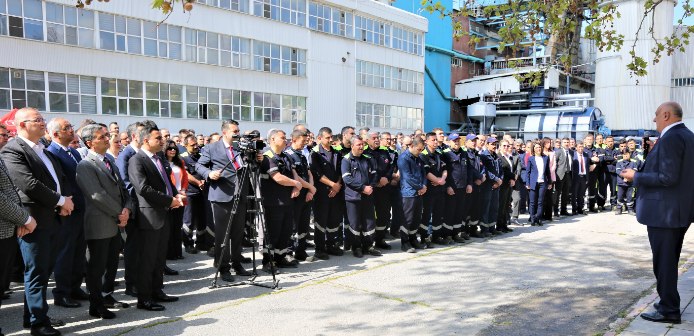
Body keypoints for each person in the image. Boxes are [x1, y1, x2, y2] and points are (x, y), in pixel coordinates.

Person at [2, 107, 74, 336]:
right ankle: (38, 324)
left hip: (53, 218)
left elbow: (61, 178)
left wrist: (64, 202)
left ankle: (33, 316)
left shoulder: (44, 149)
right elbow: (28, 184)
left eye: (43, 119)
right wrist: (61, 201)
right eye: (38, 120)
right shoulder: (14, 149)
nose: (43, 123)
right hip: (32, 221)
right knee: (35, 273)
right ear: (22, 124)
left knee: (44, 271)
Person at [621, 102, 694, 324]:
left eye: (656, 116)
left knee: (664, 262)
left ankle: (669, 309)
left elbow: (668, 178)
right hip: (678, 210)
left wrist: (636, 176)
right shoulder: (687, 135)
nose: (654, 120)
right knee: (669, 260)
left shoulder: (671, 138)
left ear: (665, 115)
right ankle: (666, 301)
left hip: (665, 212)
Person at [76, 124, 131, 320]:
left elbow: (123, 190)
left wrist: (127, 209)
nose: (107, 139)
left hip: (116, 222)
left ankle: (107, 296)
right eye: (102, 137)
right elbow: (97, 196)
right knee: (96, 267)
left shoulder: (110, 161)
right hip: (100, 223)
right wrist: (120, 213)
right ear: (90, 143)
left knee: (111, 264)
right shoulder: (85, 165)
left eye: (107, 135)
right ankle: (96, 305)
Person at [128, 122, 184, 311]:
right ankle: (144, 298)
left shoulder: (158, 158)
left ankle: (157, 291)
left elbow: (167, 181)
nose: (163, 141)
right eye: (158, 138)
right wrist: (169, 200)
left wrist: (176, 195)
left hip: (164, 214)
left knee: (160, 257)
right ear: (146, 140)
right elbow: (143, 188)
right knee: (147, 259)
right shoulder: (137, 160)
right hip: (149, 217)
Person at [195, 120, 252, 283]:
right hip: (221, 196)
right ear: (225, 132)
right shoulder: (212, 148)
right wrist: (209, 173)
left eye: (238, 130)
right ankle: (224, 267)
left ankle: (237, 263)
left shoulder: (240, 148)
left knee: (237, 232)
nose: (237, 133)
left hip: (240, 195)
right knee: (223, 234)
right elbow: (199, 165)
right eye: (235, 131)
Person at [46, 118, 89, 309]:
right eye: (67, 128)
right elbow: (60, 183)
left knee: (78, 252)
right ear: (56, 134)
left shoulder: (72, 151)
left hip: (81, 209)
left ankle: (74, 287)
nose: (72, 130)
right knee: (65, 253)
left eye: (71, 127)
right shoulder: (51, 153)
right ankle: (61, 293)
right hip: (67, 211)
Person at [0, 123, 34, 336]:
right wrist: (25, 218)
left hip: (7, 228)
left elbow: (12, 192)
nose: (6, 137)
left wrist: (20, 220)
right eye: (2, 134)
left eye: (7, 133)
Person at [260, 129, 302, 272]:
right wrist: (295, 184)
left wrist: (296, 187)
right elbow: (277, 177)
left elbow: (294, 172)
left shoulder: (286, 156)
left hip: (287, 201)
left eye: (285, 138)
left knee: (286, 231)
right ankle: (268, 262)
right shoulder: (267, 156)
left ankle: (280, 257)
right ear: (272, 140)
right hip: (273, 202)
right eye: (282, 138)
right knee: (272, 233)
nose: (286, 140)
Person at [116, 121, 144, 298]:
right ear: (134, 136)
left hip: (147, 209)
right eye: (144, 133)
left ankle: (142, 281)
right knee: (133, 249)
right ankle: (131, 284)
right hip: (136, 208)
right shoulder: (125, 155)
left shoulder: (146, 154)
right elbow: (125, 184)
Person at [341, 135, 382, 257]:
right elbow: (347, 178)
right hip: (353, 198)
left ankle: (368, 246)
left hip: (368, 196)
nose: (361, 147)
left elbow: (375, 175)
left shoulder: (368, 158)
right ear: (352, 146)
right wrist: (363, 188)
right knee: (355, 223)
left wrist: (371, 187)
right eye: (358, 145)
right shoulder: (346, 159)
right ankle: (356, 247)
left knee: (369, 222)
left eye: (362, 144)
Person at [310, 127, 344, 260]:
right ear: (319, 139)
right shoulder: (315, 153)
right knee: (321, 221)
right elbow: (316, 173)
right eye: (327, 138)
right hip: (322, 193)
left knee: (334, 220)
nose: (331, 140)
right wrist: (332, 185)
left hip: (335, 192)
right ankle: (320, 248)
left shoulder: (336, 152)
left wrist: (337, 185)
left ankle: (331, 245)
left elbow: (340, 171)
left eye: (331, 137)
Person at [284, 130, 316, 261]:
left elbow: (309, 174)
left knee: (303, 225)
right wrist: (310, 187)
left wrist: (310, 191)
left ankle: (301, 251)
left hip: (305, 194)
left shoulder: (302, 154)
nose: (305, 143)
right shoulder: (288, 155)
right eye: (303, 141)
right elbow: (295, 176)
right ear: (295, 140)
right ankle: (288, 252)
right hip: (295, 195)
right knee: (293, 225)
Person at [440, 133, 474, 244]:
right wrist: (448, 186)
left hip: (463, 188)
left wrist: (469, 184)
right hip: (452, 188)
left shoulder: (464, 153)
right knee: (450, 212)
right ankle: (447, 235)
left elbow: (469, 170)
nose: (456, 142)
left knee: (459, 212)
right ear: (449, 142)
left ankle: (456, 233)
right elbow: (444, 172)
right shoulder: (445, 154)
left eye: (458, 140)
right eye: (454, 141)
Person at [363, 130, 394, 250]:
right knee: (370, 217)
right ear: (367, 140)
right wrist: (375, 182)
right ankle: (368, 242)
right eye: (374, 138)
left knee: (383, 215)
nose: (377, 140)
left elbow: (391, 167)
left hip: (384, 189)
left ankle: (380, 239)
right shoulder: (364, 152)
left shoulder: (384, 151)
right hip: (370, 190)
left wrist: (386, 178)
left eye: (378, 137)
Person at [180, 135, 209, 255]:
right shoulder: (182, 158)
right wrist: (198, 182)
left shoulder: (201, 156)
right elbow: (185, 174)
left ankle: (201, 242)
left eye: (196, 144)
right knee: (189, 220)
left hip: (202, 192)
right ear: (185, 145)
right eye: (192, 145)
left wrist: (204, 181)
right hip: (190, 192)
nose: (196, 147)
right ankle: (188, 243)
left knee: (202, 219)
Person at [397, 135, 427, 253]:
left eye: (422, 150)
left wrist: (424, 186)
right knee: (407, 219)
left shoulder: (418, 158)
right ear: (412, 146)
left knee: (416, 218)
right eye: (419, 149)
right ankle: (405, 242)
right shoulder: (403, 158)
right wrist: (420, 187)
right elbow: (408, 177)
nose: (420, 152)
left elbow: (423, 173)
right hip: (408, 193)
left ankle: (413, 239)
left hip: (419, 192)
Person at [419, 132, 446, 246]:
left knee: (438, 214)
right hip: (429, 191)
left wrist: (442, 179)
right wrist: (438, 181)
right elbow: (426, 172)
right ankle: (424, 237)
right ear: (427, 142)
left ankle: (437, 236)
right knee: (426, 215)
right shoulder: (423, 154)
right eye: (433, 140)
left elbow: (445, 168)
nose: (435, 142)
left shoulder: (439, 153)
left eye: (436, 140)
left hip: (439, 190)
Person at [164, 140, 188, 260]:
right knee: (170, 226)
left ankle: (178, 252)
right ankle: (170, 253)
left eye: (174, 148)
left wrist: (183, 190)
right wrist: (175, 193)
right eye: (170, 148)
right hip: (170, 197)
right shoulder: (162, 164)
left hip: (181, 197)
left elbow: (185, 179)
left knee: (178, 225)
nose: (173, 150)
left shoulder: (180, 162)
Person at [479, 138, 503, 236]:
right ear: (487, 144)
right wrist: (496, 180)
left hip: (496, 186)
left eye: (495, 144)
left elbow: (501, 171)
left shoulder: (496, 156)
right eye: (492, 144)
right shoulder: (484, 156)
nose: (494, 145)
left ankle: (492, 227)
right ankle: (485, 229)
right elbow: (486, 171)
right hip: (488, 186)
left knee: (494, 207)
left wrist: (500, 180)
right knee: (486, 208)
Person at [525, 142, 553, 226]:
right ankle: (533, 218)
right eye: (536, 147)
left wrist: (550, 182)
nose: (538, 149)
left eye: (539, 147)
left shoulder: (545, 158)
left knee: (540, 201)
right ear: (533, 149)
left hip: (542, 182)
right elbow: (528, 172)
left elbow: (548, 171)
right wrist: (527, 183)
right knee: (533, 202)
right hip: (533, 182)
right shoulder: (531, 158)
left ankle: (539, 218)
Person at [497, 139, 516, 233]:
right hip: (502, 183)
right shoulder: (499, 157)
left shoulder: (509, 157)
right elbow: (503, 170)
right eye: (504, 145)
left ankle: (504, 224)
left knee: (506, 204)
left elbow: (513, 169)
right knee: (501, 205)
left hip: (509, 184)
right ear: (500, 146)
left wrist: (513, 179)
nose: (506, 147)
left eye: (507, 146)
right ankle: (499, 225)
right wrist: (513, 176)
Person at [599, 136, 620, 213]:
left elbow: (619, 160)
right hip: (605, 172)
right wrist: (614, 159)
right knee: (602, 189)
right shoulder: (603, 150)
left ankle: (613, 204)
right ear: (606, 142)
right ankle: (600, 204)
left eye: (611, 141)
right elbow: (603, 159)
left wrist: (609, 160)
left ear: (613, 141)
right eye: (609, 141)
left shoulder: (617, 150)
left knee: (614, 190)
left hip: (613, 173)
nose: (610, 143)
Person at [615, 149, 638, 215]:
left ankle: (630, 209)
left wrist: (628, 178)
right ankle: (619, 209)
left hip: (630, 183)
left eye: (627, 154)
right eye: (624, 154)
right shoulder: (619, 162)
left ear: (629, 154)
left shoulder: (633, 162)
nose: (626, 156)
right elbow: (618, 171)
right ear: (622, 155)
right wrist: (624, 177)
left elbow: (635, 171)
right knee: (620, 196)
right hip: (621, 182)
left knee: (630, 196)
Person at [554, 138, 573, 216]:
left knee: (566, 194)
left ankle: (563, 210)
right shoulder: (558, 152)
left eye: (567, 142)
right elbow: (555, 165)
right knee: (557, 194)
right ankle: (555, 211)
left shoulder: (572, 152)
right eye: (564, 142)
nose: (566, 144)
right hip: (560, 175)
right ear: (562, 143)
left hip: (568, 175)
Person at [583, 134, 601, 212]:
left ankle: (591, 206)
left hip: (594, 173)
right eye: (588, 139)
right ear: (585, 141)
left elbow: (600, 160)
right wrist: (591, 159)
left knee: (593, 190)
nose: (589, 141)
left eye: (591, 139)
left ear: (593, 140)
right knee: (582, 190)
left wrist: (594, 165)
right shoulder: (583, 149)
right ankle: (581, 206)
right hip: (585, 173)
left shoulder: (597, 149)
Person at [511, 139, 527, 225]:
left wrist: (515, 175)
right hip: (506, 180)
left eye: (519, 146)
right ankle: (504, 219)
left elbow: (519, 167)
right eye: (516, 145)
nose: (518, 148)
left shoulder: (520, 155)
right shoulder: (503, 155)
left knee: (518, 199)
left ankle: (515, 218)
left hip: (517, 179)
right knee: (506, 201)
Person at [571, 142, 589, 215]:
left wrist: (587, 178)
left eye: (582, 146)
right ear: (576, 148)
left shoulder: (586, 155)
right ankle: (574, 209)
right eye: (579, 147)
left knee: (581, 194)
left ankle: (580, 208)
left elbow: (587, 167)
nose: (581, 148)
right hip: (575, 177)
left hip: (583, 177)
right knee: (574, 194)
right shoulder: (573, 155)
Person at [541, 138, 557, 220]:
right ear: (543, 143)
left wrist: (548, 172)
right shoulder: (541, 153)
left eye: (550, 143)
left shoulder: (553, 152)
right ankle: (541, 214)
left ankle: (548, 215)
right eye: (547, 143)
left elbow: (554, 165)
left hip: (550, 177)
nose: (549, 145)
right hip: (542, 177)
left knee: (549, 196)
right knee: (542, 196)